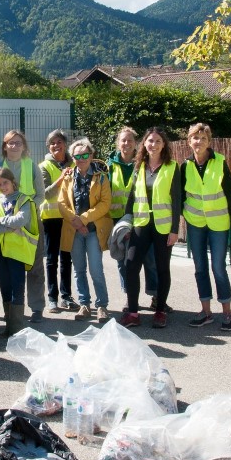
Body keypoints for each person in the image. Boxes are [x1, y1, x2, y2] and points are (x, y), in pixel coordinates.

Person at [119, 127, 182, 329]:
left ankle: (160, 311)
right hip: (141, 224)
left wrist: (174, 230)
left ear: (164, 145)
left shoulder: (172, 167)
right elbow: (132, 197)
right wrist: (126, 222)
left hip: (163, 226)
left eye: (157, 141)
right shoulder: (139, 166)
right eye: (149, 141)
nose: (153, 145)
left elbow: (177, 200)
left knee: (162, 268)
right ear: (144, 144)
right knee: (131, 265)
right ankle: (133, 312)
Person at [181, 123, 231, 332]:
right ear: (189, 141)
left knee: (218, 267)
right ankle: (206, 311)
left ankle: (227, 312)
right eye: (195, 138)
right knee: (200, 268)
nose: (199, 142)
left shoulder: (220, 162)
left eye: (203, 138)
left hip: (218, 223)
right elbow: (180, 196)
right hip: (196, 222)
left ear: (209, 141)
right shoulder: (185, 165)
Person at [0, 130, 47, 324]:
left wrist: (25, 212)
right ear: (4, 146)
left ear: (24, 146)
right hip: (6, 225)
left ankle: (37, 308)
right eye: (10, 143)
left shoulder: (32, 167)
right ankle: (13, 311)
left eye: (18, 143)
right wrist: (7, 222)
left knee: (35, 266)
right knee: (10, 269)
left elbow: (41, 195)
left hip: (30, 222)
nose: (14, 146)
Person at [57, 138, 112, 323]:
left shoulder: (101, 177)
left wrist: (84, 218)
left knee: (96, 269)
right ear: (73, 158)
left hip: (93, 230)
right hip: (74, 230)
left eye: (85, 155)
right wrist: (76, 221)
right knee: (78, 269)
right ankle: (84, 304)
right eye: (77, 156)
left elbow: (105, 204)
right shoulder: (67, 177)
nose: (81, 158)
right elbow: (62, 203)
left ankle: (102, 305)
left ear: (91, 155)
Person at [0, 167, 39, 338]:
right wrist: (9, 225)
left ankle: (17, 328)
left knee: (17, 288)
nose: (2, 187)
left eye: (5, 183)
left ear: (12, 181)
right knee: (5, 287)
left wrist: (1, 221)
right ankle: (9, 325)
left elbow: (21, 220)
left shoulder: (24, 200)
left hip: (17, 251)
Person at [107, 127, 160, 303]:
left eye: (130, 140)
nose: (126, 143)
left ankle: (155, 295)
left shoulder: (143, 163)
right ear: (118, 143)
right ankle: (130, 298)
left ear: (136, 143)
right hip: (118, 220)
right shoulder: (109, 165)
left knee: (149, 259)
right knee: (123, 261)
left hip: (141, 218)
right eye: (123, 140)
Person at [40, 129, 76, 314]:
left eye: (59, 142)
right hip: (51, 219)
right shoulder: (44, 166)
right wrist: (62, 178)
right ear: (48, 146)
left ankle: (66, 297)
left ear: (65, 144)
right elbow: (47, 193)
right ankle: (52, 298)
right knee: (52, 259)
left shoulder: (76, 163)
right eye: (52, 143)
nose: (56, 146)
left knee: (66, 259)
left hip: (69, 218)